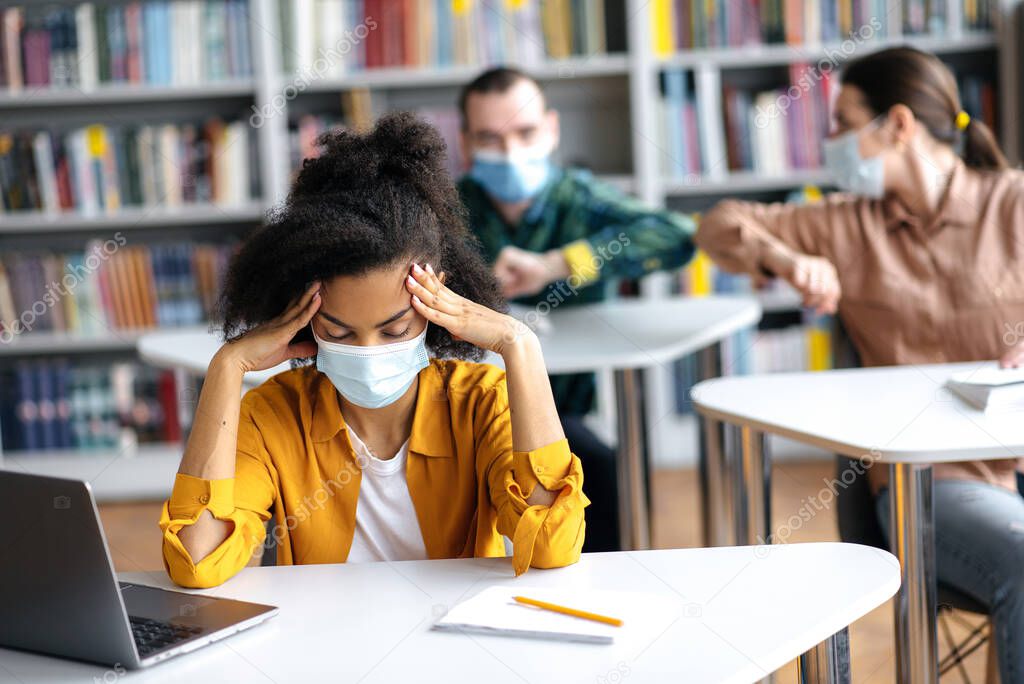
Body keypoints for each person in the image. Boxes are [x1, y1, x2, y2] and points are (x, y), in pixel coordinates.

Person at [695, 46, 1024, 682]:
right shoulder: (846, 225)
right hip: (939, 483)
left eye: (843, 124)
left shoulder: (1010, 203)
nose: (831, 141)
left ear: (897, 125)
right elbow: (718, 225)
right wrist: (788, 262)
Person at [158, 112, 589, 589]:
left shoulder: (482, 402)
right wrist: (227, 365)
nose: (367, 351)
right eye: (339, 333)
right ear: (303, 316)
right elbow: (197, 562)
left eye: (395, 329)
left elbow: (553, 545)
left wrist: (520, 345)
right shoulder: (271, 415)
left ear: (435, 306)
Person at [456, 67, 697, 552]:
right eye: (489, 138)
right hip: (463, 411)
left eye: (525, 133)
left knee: (600, 476)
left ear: (551, 129)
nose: (511, 153)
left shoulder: (579, 199)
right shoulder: (445, 208)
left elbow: (677, 235)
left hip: (561, 411)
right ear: (465, 143)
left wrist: (556, 264)